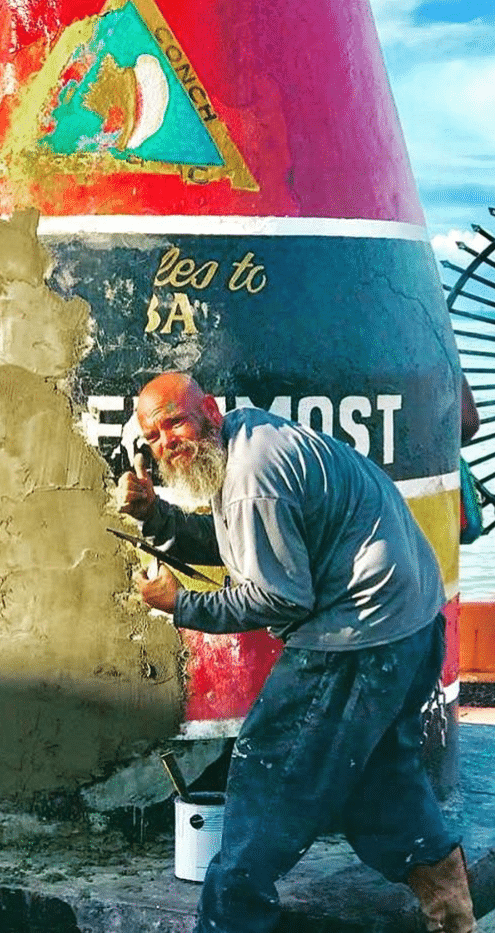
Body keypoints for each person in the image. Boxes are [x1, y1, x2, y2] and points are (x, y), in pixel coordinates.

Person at [116, 372, 477, 933]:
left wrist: (180, 604)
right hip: (411, 627)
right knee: (379, 782)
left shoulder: (252, 476)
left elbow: (278, 594)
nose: (167, 443)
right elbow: (245, 537)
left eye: (176, 422)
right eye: (154, 436)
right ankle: (454, 913)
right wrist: (157, 520)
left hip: (358, 638)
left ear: (208, 409)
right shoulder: (246, 443)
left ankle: (231, 920)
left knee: (266, 780)